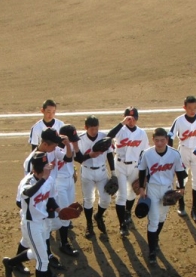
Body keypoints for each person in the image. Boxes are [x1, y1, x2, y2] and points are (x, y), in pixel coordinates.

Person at [2, 153, 64, 277]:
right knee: (42, 259)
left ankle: (10, 262)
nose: (47, 170)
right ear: (36, 170)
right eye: (43, 169)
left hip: (44, 222)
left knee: (38, 253)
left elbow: (49, 198)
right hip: (31, 225)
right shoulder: (26, 182)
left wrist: (58, 210)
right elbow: (28, 193)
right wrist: (43, 179)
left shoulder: (48, 179)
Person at [21, 128, 75, 268]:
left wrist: (67, 144)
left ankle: (15, 262)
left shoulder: (52, 150)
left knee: (42, 231)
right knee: (41, 231)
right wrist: (42, 203)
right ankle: (47, 256)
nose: (56, 147)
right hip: (38, 202)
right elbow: (29, 186)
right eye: (54, 144)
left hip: (49, 195)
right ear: (45, 144)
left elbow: (68, 158)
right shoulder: (31, 161)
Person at [137, 128, 187, 264]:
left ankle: (155, 238)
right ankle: (152, 251)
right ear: (153, 140)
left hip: (168, 189)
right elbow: (142, 171)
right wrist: (141, 188)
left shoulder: (174, 154)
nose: (159, 143)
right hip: (152, 189)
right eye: (157, 140)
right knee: (153, 220)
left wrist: (181, 188)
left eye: (162, 140)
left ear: (167, 140)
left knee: (162, 217)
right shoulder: (147, 153)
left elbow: (180, 172)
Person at [107, 107, 149, 237]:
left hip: (135, 166)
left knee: (131, 193)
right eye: (129, 118)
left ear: (137, 118)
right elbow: (109, 136)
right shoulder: (120, 130)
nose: (131, 121)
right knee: (121, 196)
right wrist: (122, 123)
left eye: (134, 118)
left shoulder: (142, 133)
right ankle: (122, 224)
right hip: (119, 165)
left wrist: (146, 172)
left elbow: (145, 152)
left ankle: (127, 212)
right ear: (124, 118)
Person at [167, 96, 196, 221]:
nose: (192, 110)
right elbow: (170, 136)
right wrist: (171, 153)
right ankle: (181, 204)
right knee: (181, 179)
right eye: (189, 108)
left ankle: (194, 208)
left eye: (195, 108)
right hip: (183, 151)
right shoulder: (179, 120)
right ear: (184, 107)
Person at [75, 115, 115, 238]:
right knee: (88, 200)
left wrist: (113, 173)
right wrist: (89, 156)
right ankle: (89, 225)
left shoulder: (104, 136)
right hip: (87, 172)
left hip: (102, 171)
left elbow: (110, 154)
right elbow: (77, 158)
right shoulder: (80, 139)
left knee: (106, 199)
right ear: (86, 127)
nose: (94, 131)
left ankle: (98, 216)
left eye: (96, 128)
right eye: (92, 129)